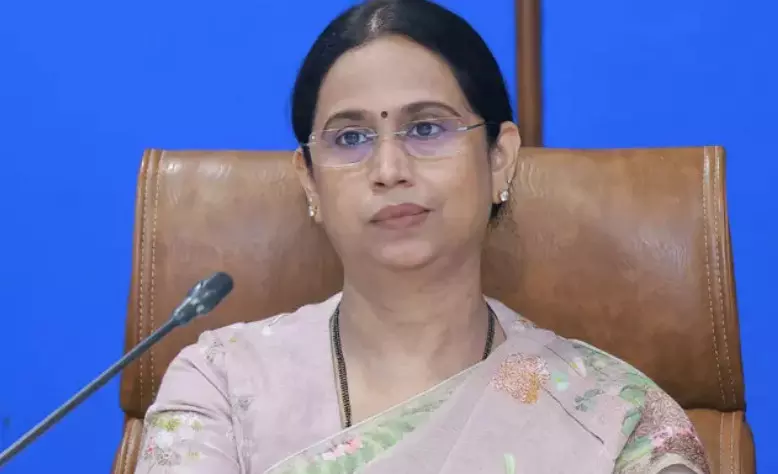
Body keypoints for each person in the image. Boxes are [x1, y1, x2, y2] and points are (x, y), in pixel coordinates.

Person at [133, 1, 711, 473]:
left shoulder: (612, 417)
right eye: (351, 137)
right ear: (309, 181)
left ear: (500, 158)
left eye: (427, 127)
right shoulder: (223, 386)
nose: (389, 169)